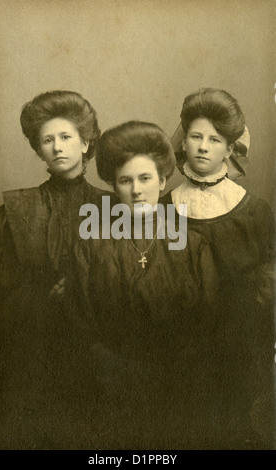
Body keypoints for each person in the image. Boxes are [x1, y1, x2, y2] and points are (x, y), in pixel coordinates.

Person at [71, 120, 222, 449]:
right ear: (114, 185)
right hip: (111, 388)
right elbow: (83, 322)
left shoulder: (194, 245)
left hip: (180, 386)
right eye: (125, 181)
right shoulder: (92, 246)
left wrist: (174, 372)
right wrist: (117, 371)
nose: (136, 190)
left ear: (163, 180)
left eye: (145, 178)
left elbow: (209, 321)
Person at [0, 90, 113, 449]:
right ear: (38, 148)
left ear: (86, 141)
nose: (57, 147)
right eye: (47, 140)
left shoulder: (114, 207)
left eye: (66, 137)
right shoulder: (15, 211)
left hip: (96, 348)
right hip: (32, 348)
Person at [160, 88, 276, 449]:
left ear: (231, 148)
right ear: (184, 141)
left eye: (215, 139)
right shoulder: (164, 207)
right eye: (196, 136)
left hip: (238, 344)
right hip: (178, 342)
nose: (203, 146)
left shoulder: (255, 211)